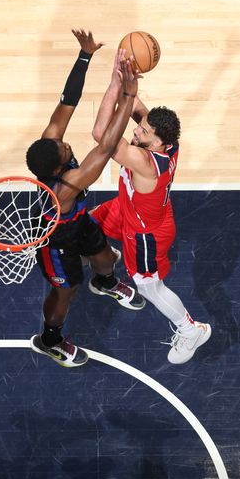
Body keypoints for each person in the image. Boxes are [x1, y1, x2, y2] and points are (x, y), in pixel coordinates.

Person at [25, 29, 145, 368]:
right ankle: (50, 339)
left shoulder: (48, 144)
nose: (66, 143)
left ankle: (105, 281)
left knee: (106, 258)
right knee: (67, 290)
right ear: (61, 164)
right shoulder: (68, 184)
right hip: (55, 239)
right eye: (65, 149)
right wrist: (129, 94)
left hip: (78, 221)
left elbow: (67, 101)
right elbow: (106, 146)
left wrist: (85, 56)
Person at [87, 53, 211, 364]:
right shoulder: (167, 141)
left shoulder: (144, 162)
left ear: (158, 145)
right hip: (128, 208)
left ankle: (190, 329)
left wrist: (116, 85)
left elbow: (101, 136)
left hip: (145, 233)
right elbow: (138, 109)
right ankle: (107, 261)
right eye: (141, 127)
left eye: (143, 133)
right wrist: (127, 79)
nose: (137, 132)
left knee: (148, 285)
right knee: (86, 229)